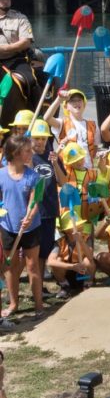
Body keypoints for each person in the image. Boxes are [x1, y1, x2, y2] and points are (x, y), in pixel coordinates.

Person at [0, 135, 44, 319]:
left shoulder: (35, 176)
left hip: (31, 227)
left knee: (33, 265)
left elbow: (36, 201)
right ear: (15, 153)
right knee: (10, 267)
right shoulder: (1, 174)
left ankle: (39, 305)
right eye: (27, 150)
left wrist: (29, 216)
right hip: (8, 227)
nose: (31, 153)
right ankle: (13, 303)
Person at [29, 120, 60, 267]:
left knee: (43, 253)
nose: (40, 142)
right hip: (32, 212)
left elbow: (63, 182)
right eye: (36, 138)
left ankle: (39, 288)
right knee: (30, 252)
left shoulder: (52, 156)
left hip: (49, 211)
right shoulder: (26, 158)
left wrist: (55, 164)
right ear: (30, 138)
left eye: (43, 138)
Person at [47, 213, 95, 299]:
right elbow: (50, 261)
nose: (81, 227)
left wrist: (81, 241)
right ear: (67, 230)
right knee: (57, 260)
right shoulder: (60, 241)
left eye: (80, 224)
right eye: (77, 225)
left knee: (88, 261)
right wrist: (72, 267)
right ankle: (65, 286)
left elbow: (90, 257)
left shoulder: (85, 237)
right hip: (68, 273)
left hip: (83, 275)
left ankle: (87, 284)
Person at [0, 0, 36, 98]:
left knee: (30, 81)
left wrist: (4, 48)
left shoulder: (20, 18)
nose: (5, 0)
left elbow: (26, 42)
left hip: (16, 60)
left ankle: (37, 112)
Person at [45, 89, 97, 168]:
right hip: (68, 172)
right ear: (66, 106)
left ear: (84, 104)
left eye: (79, 100)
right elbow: (47, 118)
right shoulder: (62, 123)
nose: (76, 103)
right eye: (72, 101)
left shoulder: (93, 125)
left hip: (88, 173)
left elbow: (95, 148)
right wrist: (59, 99)